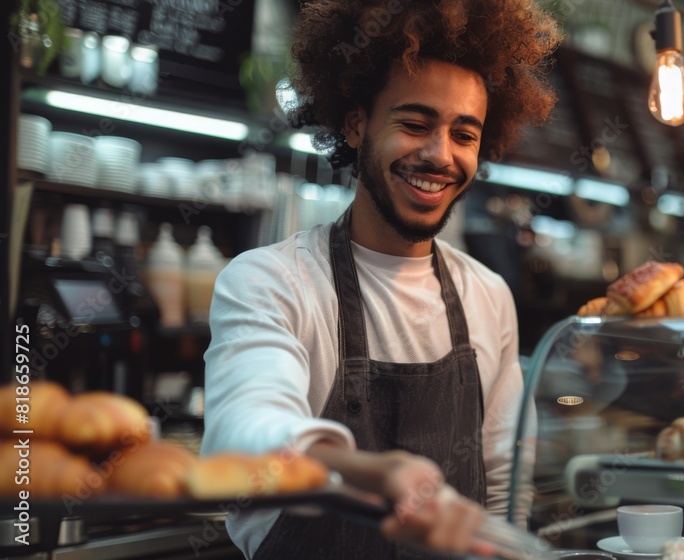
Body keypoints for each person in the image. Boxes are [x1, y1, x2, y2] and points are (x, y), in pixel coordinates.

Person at [200, 1, 561, 558]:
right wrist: (365, 472)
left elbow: (504, 473)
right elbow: (245, 434)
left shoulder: (488, 295)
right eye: (415, 124)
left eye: (464, 135)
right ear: (355, 122)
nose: (440, 155)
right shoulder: (271, 282)